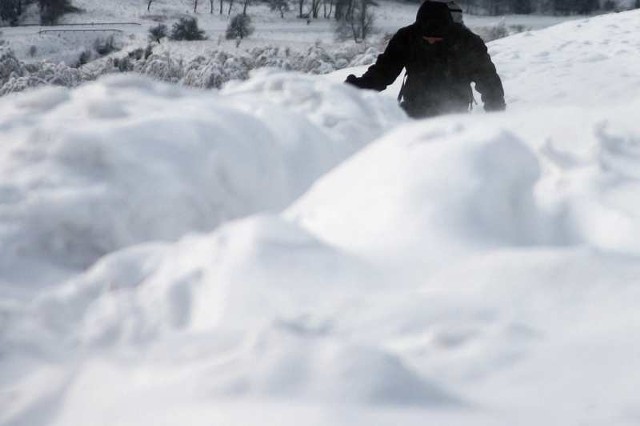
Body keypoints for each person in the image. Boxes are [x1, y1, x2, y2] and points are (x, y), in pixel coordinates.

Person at [345, 1, 505, 119]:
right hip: (413, 106)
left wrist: (496, 113)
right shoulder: (406, 37)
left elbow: (488, 80)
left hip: (454, 111)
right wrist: (353, 90)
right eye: (427, 38)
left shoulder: (468, 43)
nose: (431, 42)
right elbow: (383, 72)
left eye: (437, 39)